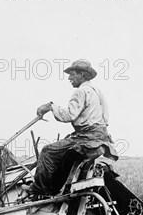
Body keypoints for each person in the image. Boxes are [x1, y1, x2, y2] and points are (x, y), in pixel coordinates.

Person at [22, 59, 119, 197]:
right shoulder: (97, 91)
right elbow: (104, 117)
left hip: (86, 138)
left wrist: (50, 106)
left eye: (72, 74)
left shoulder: (81, 91)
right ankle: (55, 188)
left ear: (82, 74)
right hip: (100, 136)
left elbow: (68, 115)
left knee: (47, 151)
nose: (69, 77)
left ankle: (39, 189)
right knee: (63, 151)